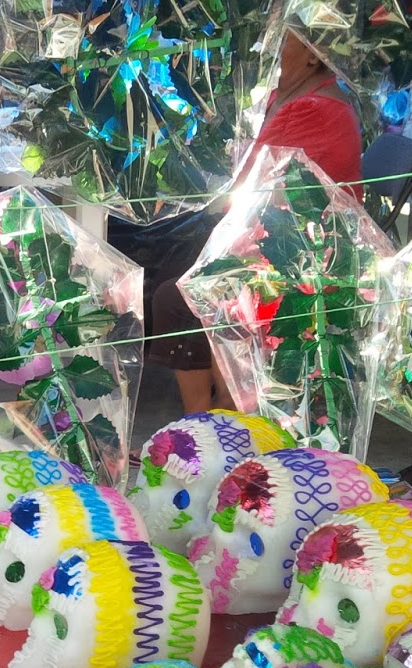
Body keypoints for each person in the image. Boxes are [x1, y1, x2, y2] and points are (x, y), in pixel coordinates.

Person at [129, 31, 363, 414]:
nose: (267, 46)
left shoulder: (316, 108)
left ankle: (213, 416)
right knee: (168, 261)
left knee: (177, 295)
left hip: (302, 258)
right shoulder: (282, 97)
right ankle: (215, 417)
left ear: (312, 55)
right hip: (271, 238)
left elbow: (265, 189)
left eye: (283, 40)